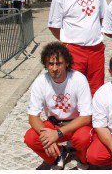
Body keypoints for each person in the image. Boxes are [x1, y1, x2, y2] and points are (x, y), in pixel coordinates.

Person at [24, 42, 92, 170]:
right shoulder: (40, 82)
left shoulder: (78, 79)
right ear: (46, 64)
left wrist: (58, 134)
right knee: (31, 137)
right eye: (50, 64)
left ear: (66, 63)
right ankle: (58, 154)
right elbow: (33, 116)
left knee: (83, 138)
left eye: (58, 63)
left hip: (76, 125)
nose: (54, 68)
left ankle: (82, 157)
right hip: (54, 124)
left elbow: (86, 117)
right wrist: (47, 137)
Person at [48, 0, 107, 94]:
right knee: (74, 89)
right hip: (74, 51)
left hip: (96, 51)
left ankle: (93, 116)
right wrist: (68, 40)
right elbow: (53, 25)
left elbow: (104, 17)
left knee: (96, 89)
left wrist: (94, 33)